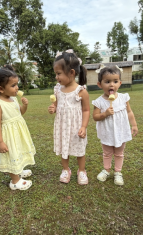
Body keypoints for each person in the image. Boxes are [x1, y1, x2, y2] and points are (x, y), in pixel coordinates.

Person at [0, 68, 35, 191]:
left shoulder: (13, 99)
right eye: (13, 85)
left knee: (18, 150)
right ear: (1, 89)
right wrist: (0, 142)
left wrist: (25, 106)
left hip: (18, 133)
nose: (17, 88)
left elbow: (20, 113)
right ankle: (15, 181)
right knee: (11, 154)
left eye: (17, 84)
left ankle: (18, 170)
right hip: (8, 135)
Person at [48, 49, 90, 185]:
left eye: (58, 73)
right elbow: (55, 104)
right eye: (56, 74)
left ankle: (81, 170)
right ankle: (66, 169)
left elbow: (86, 110)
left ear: (71, 73)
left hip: (77, 127)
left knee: (79, 150)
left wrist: (83, 126)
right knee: (63, 148)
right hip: (62, 126)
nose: (56, 77)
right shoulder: (57, 90)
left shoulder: (81, 91)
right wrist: (53, 108)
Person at [92, 65, 138, 186]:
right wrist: (105, 114)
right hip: (107, 132)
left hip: (121, 131)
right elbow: (95, 117)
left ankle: (118, 172)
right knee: (107, 153)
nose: (111, 85)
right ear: (99, 84)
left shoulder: (123, 98)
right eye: (107, 82)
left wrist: (134, 125)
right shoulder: (99, 101)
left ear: (120, 83)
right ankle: (106, 170)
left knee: (119, 153)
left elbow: (129, 112)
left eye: (115, 81)